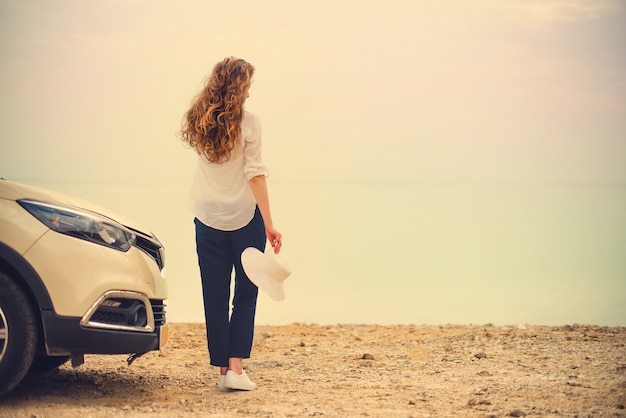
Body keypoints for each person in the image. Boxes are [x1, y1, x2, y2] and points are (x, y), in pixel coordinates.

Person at [180, 57, 282, 391]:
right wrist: (270, 223)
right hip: (244, 217)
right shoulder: (249, 123)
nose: (250, 94)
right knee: (246, 292)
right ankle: (235, 369)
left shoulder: (198, 120)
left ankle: (223, 370)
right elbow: (255, 175)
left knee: (214, 293)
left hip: (207, 217)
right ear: (239, 88)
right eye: (248, 87)